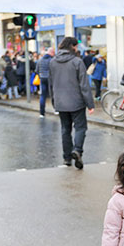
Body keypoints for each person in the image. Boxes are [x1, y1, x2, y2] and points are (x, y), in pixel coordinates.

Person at [49, 36, 95, 168]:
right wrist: (90, 104)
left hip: (61, 103)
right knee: (80, 127)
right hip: (76, 102)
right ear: (72, 47)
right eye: (76, 46)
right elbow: (84, 85)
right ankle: (77, 150)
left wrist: (54, 102)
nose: (77, 49)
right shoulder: (77, 62)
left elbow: (51, 84)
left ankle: (67, 158)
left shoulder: (53, 62)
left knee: (65, 130)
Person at [37, 47, 54, 116]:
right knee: (53, 94)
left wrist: (40, 75)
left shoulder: (40, 60)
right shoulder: (52, 60)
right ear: (51, 52)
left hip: (42, 78)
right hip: (50, 78)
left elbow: (37, 70)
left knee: (43, 95)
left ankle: (42, 113)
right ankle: (56, 109)